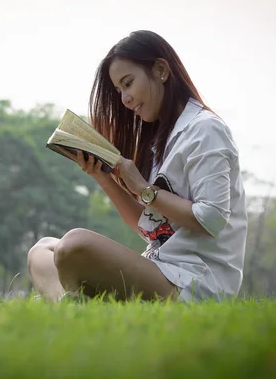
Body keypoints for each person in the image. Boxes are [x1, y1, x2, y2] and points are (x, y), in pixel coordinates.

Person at [27, 30, 248, 303]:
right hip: (160, 266)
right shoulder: (160, 142)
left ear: (160, 70)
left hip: (195, 281)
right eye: (120, 90)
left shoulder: (205, 130)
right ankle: (71, 305)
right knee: (42, 250)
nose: (125, 99)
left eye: (128, 83)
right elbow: (149, 228)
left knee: (74, 245)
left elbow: (212, 218)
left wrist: (144, 189)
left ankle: (69, 304)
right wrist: (103, 178)